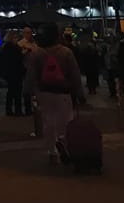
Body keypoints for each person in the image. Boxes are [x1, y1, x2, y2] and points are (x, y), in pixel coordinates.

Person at [24, 24, 85, 163]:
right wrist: (79, 93)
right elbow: (75, 74)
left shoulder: (37, 53)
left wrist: (27, 90)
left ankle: (52, 150)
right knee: (65, 120)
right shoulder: (66, 52)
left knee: (48, 121)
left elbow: (31, 74)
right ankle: (63, 143)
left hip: (44, 91)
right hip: (63, 91)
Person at [1, 31, 26, 116]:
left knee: (11, 92)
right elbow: (17, 59)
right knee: (16, 92)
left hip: (10, 72)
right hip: (15, 72)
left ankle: (9, 110)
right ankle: (17, 110)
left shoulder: (6, 47)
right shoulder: (13, 48)